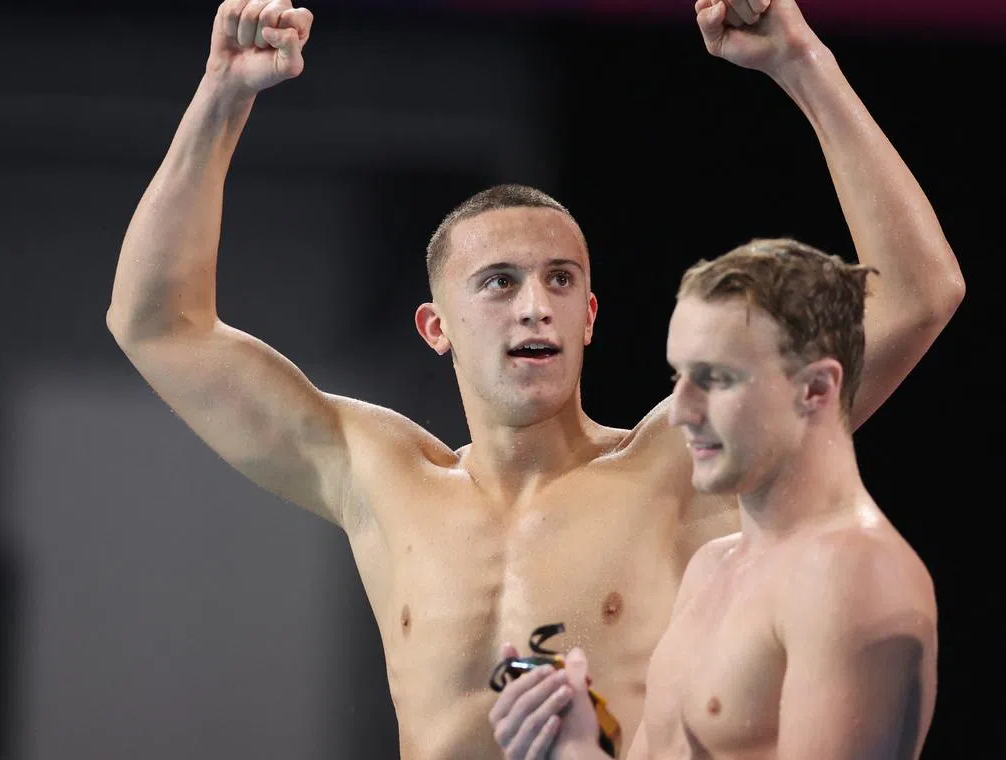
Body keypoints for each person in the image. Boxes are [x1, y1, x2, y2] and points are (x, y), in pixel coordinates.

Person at [105, 0, 962, 756]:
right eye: (499, 282)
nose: (534, 307)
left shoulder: (674, 467)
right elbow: (157, 325)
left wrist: (804, 65)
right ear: (435, 328)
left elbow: (917, 295)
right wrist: (221, 97)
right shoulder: (376, 472)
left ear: (590, 317)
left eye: (561, 280)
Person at [486, 238, 938, 760]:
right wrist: (574, 746)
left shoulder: (853, 576)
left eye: (716, 379)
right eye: (679, 376)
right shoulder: (713, 566)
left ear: (815, 389)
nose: (679, 412)